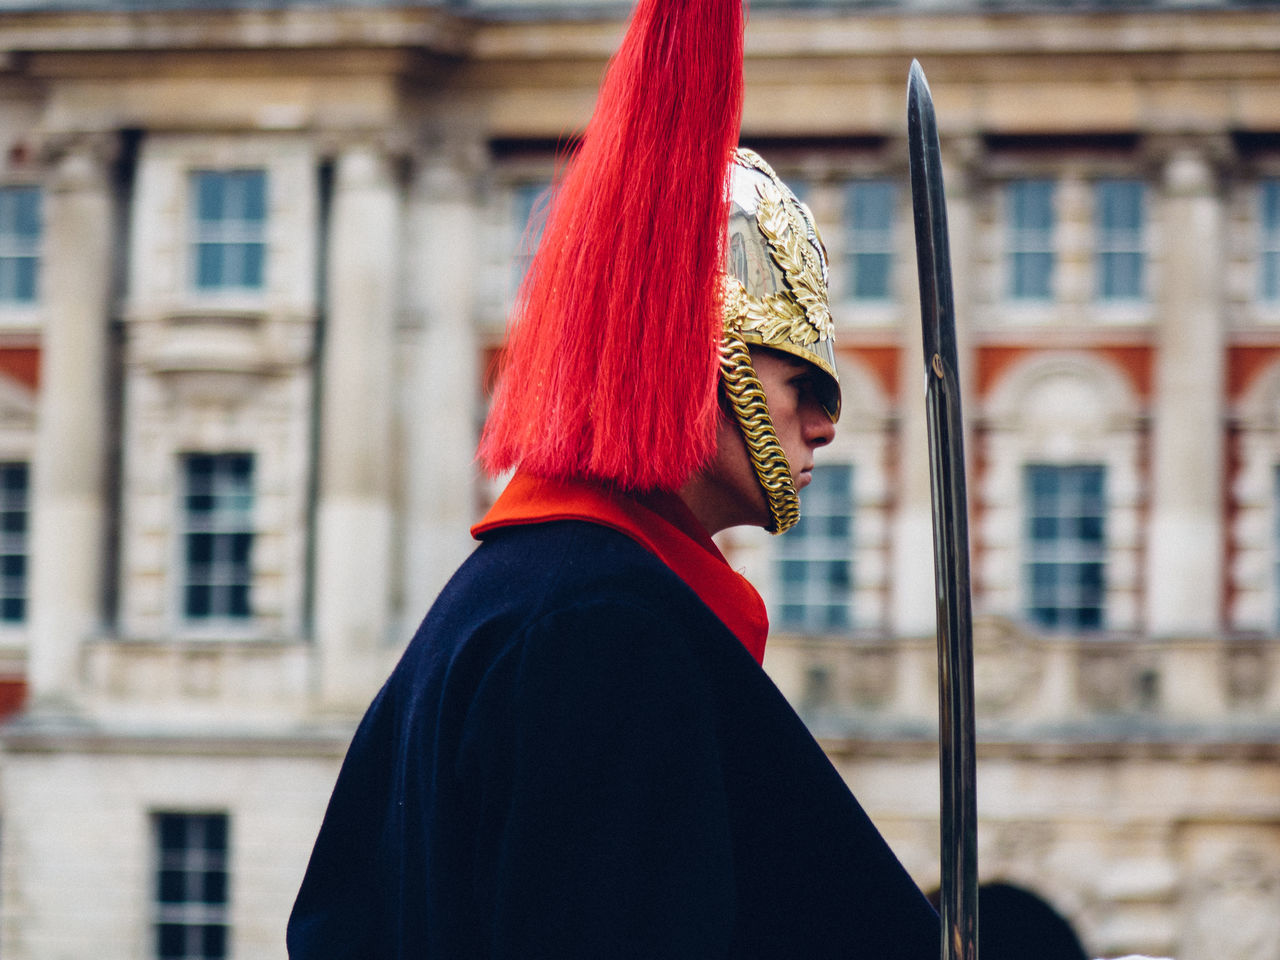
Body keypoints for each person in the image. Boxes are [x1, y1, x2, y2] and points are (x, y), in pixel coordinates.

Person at [286, 0, 940, 954]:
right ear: (690, 355)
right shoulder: (603, 627)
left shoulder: (535, 591)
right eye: (800, 382)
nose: (826, 425)